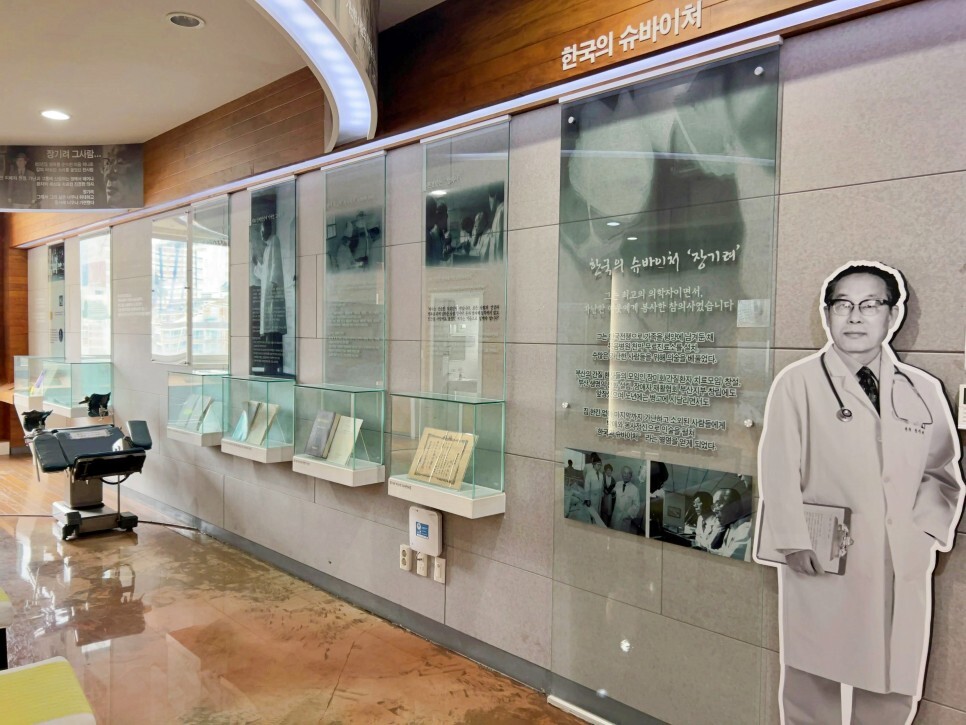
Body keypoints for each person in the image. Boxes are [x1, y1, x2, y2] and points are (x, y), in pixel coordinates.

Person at [755, 261, 964, 725]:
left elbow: (942, 471)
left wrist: (924, 531)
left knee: (893, 684)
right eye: (842, 305)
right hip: (824, 556)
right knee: (813, 682)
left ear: (893, 314)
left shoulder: (922, 389)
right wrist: (792, 540)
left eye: (870, 305)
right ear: (827, 314)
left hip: (900, 557)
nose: (854, 317)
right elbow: (779, 469)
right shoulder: (798, 383)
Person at [708, 488, 751, 560]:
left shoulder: (745, 530)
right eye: (714, 506)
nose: (714, 510)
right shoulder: (729, 527)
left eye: (718, 504)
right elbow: (715, 548)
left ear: (735, 507)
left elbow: (726, 559)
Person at [610, 466, 641, 534]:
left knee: (622, 535)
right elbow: (614, 494)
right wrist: (613, 494)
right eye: (624, 473)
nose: (626, 475)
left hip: (625, 518)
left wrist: (627, 514)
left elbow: (636, 505)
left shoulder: (635, 489)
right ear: (622, 474)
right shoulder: (618, 484)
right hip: (615, 515)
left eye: (628, 473)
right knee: (613, 533)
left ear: (631, 476)